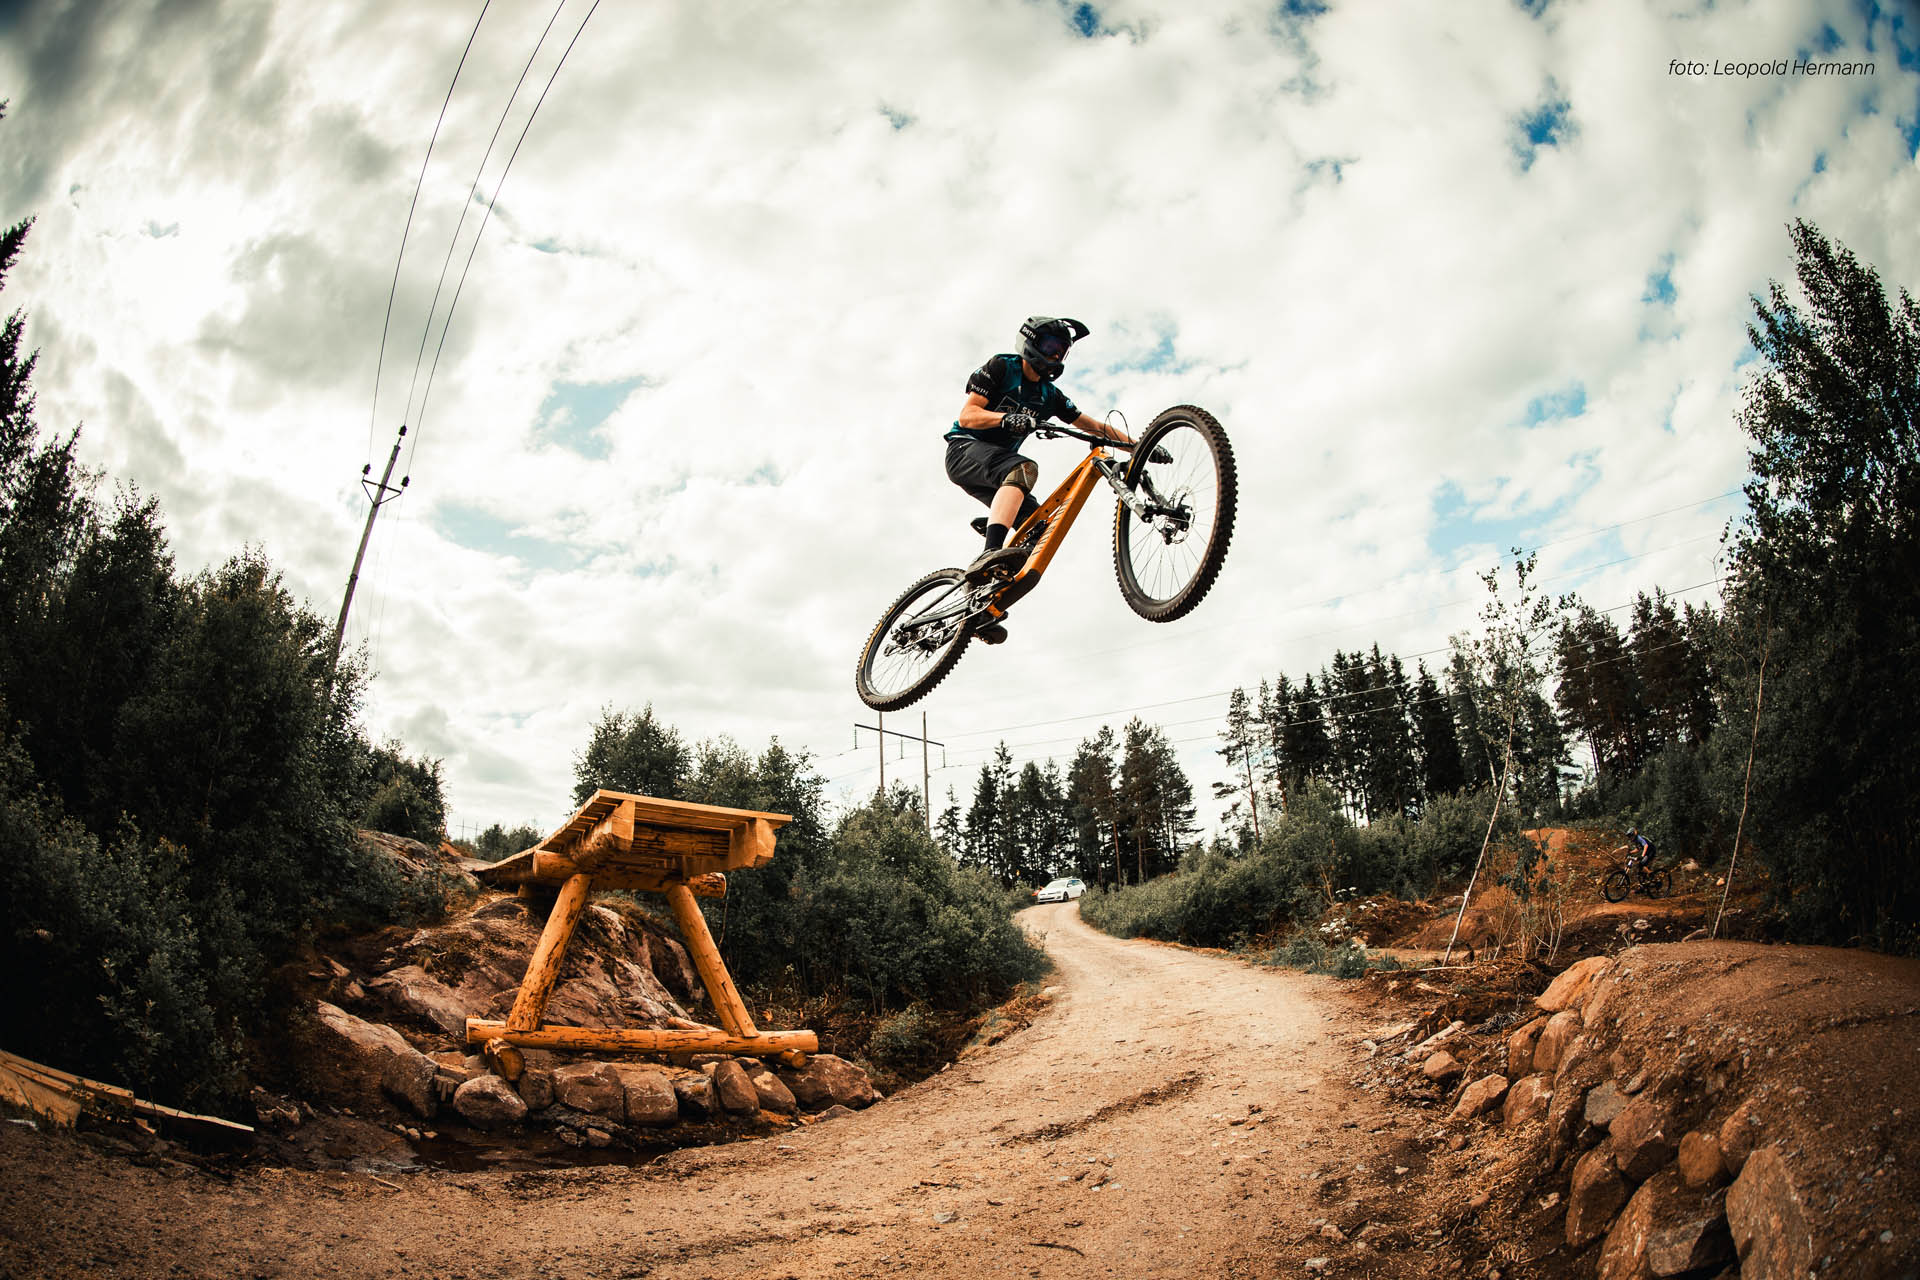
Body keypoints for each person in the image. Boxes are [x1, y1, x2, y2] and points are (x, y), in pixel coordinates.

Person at [945, 317, 1137, 633]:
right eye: (1050, 346)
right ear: (1030, 342)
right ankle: (990, 551)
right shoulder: (1002, 367)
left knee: (1040, 532)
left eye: (1062, 351)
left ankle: (980, 610)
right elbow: (968, 415)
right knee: (1023, 468)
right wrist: (1005, 419)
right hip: (965, 450)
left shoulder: (1049, 395)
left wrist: (1140, 446)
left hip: (999, 471)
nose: (1056, 355)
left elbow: (1091, 426)